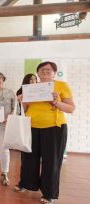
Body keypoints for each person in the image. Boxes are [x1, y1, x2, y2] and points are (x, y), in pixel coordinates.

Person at [16, 62, 75, 204]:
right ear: (38, 73)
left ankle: (49, 194)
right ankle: (27, 184)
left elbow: (71, 108)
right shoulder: (31, 88)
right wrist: (21, 101)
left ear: (54, 72)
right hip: (31, 126)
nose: (45, 71)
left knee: (51, 162)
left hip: (54, 127)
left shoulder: (62, 86)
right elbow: (26, 108)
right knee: (29, 158)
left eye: (49, 70)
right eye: (42, 70)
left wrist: (56, 102)